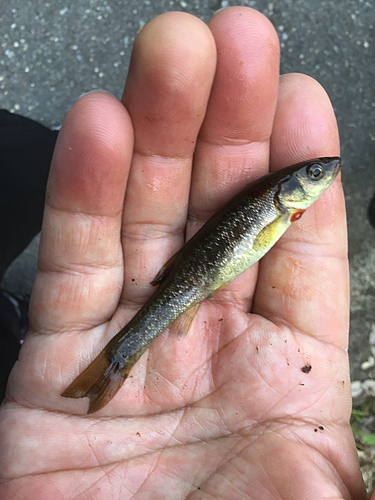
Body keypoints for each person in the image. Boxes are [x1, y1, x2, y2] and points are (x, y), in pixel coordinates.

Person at [0, 7, 372, 499]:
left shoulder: (277, 209)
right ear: (288, 191)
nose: (324, 174)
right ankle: (112, 356)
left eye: (317, 175)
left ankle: (98, 355)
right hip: (194, 277)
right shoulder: (276, 211)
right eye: (313, 176)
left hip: (196, 276)